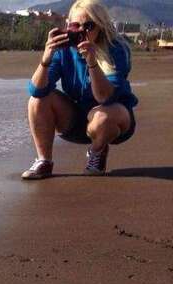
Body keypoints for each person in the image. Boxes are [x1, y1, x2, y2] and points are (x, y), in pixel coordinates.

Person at [22, 0, 138, 179]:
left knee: (101, 117)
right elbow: (36, 90)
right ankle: (43, 161)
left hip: (114, 120)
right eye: (75, 26)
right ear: (68, 27)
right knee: (37, 100)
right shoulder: (64, 51)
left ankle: (97, 151)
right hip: (78, 120)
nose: (82, 32)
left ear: (100, 27)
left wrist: (92, 63)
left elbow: (104, 98)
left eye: (88, 26)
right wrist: (45, 60)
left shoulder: (115, 49)